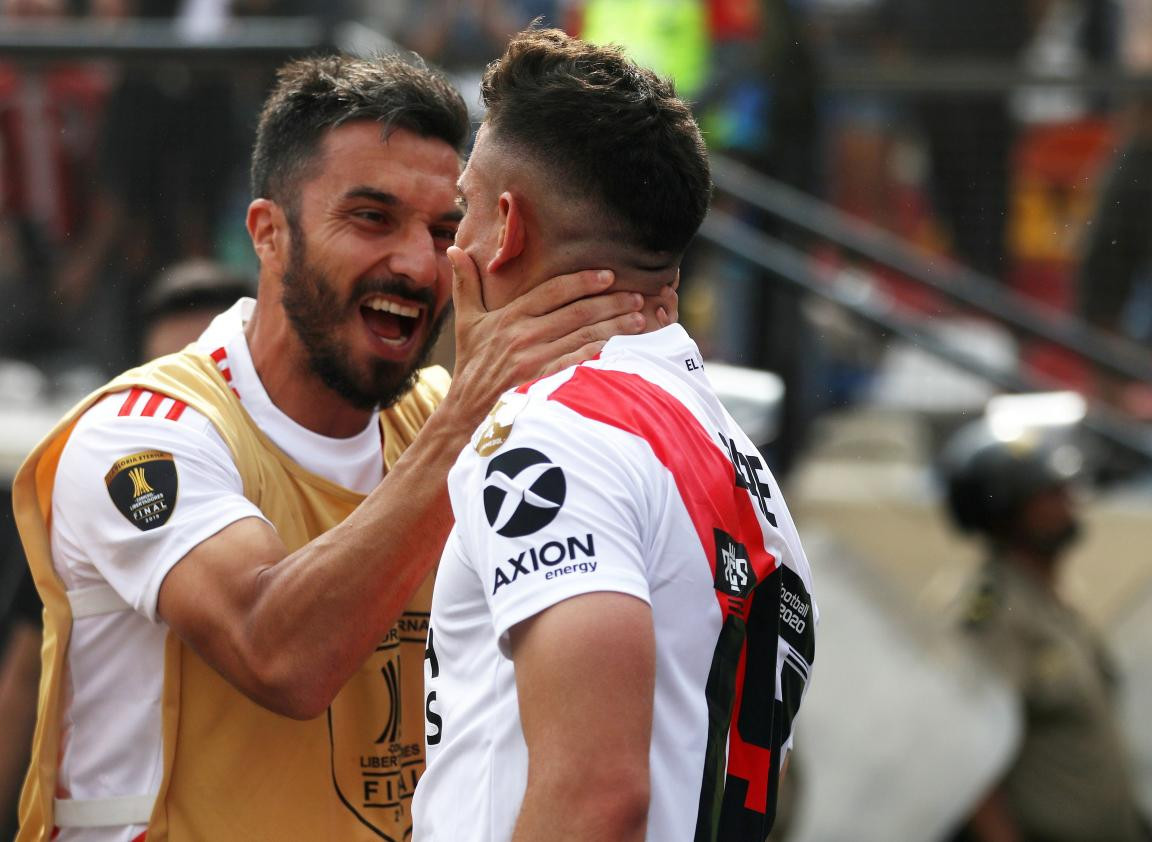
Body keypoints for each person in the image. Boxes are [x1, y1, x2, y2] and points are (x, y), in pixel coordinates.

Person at [12, 53, 666, 842]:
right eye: (371, 218)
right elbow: (277, 653)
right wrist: (467, 417)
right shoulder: (141, 435)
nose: (418, 263)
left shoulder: (446, 419)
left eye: (442, 231)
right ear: (269, 235)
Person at [412, 28, 817, 842]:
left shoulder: (555, 436)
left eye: (462, 213)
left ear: (508, 224)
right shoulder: (739, 459)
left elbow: (597, 798)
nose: (449, 249)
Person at [0, 257, 253, 839]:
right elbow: (22, 677)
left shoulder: (296, 480)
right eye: (169, 373)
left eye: (207, 372)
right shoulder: (90, 483)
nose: (188, 402)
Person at [941, 424, 1152, 842]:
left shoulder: (1050, 601)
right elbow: (966, 755)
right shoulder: (994, 615)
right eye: (1050, 494)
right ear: (1007, 513)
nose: (1069, 503)